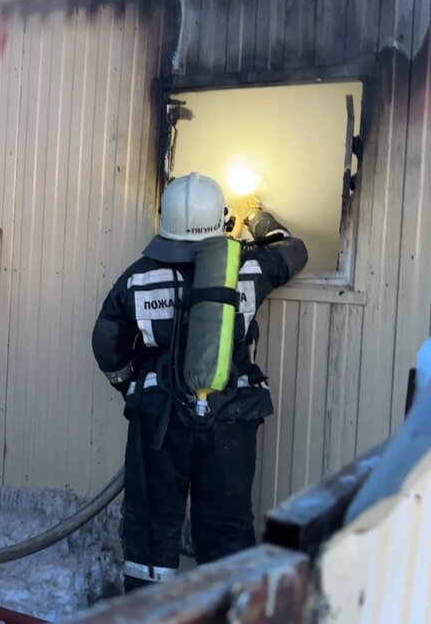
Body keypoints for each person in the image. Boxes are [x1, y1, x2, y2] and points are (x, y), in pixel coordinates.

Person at [91, 172, 308, 592]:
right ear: (222, 221)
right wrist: (259, 220)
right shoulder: (251, 268)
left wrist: (133, 386)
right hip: (231, 417)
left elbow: (106, 340)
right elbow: (294, 251)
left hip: (159, 421)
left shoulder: (138, 277)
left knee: (152, 528)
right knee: (226, 528)